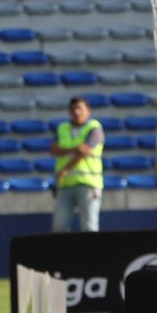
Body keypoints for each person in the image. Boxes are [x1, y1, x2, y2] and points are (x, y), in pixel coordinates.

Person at [50, 97, 104, 232]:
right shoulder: (62, 128)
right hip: (65, 184)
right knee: (60, 227)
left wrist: (65, 169)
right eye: (73, 109)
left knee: (89, 227)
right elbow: (53, 149)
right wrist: (75, 148)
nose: (77, 112)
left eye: (80, 108)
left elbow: (85, 151)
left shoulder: (95, 128)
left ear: (88, 111)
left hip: (88, 183)